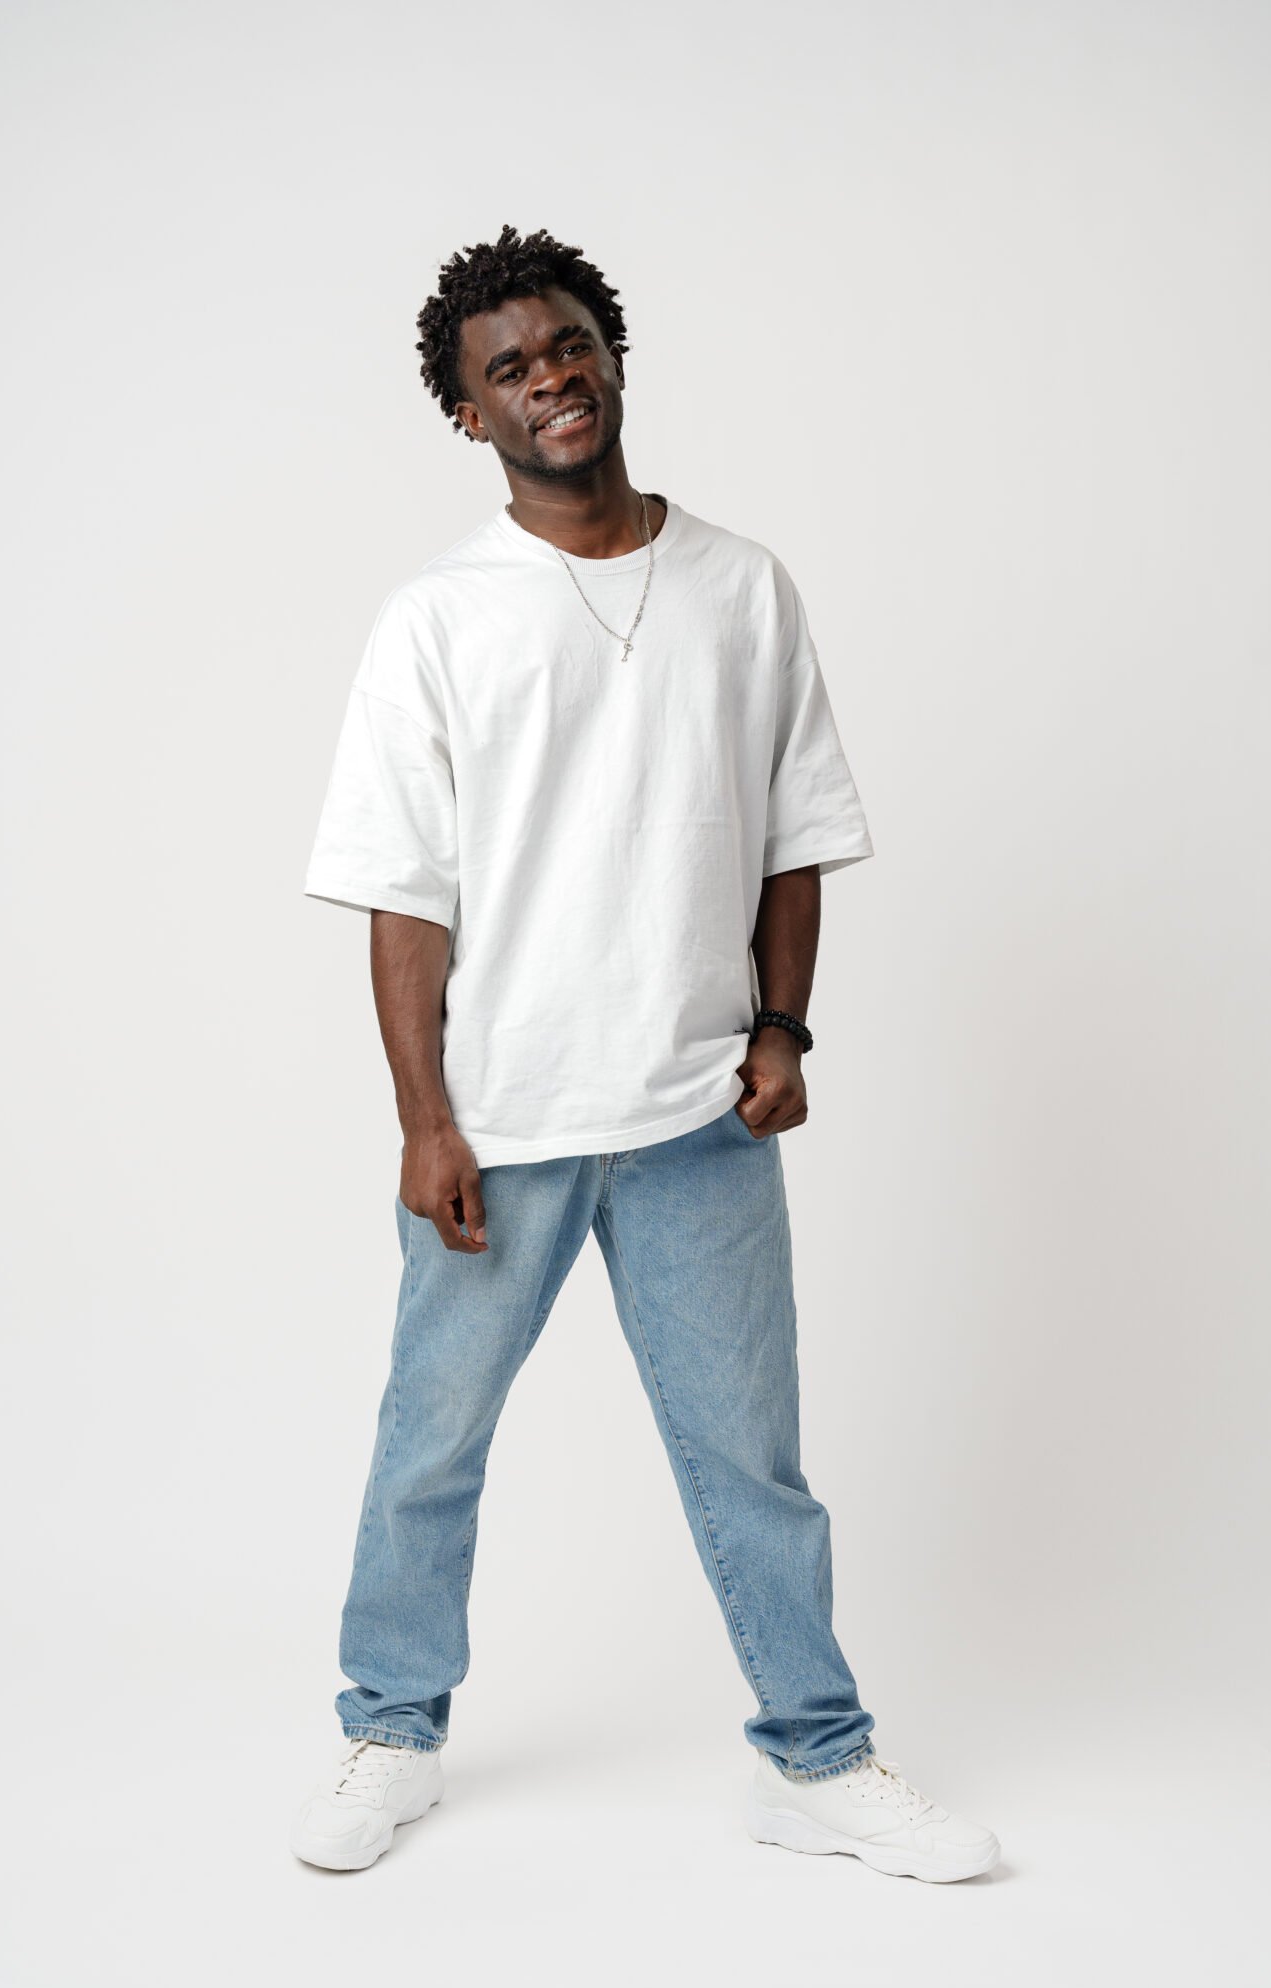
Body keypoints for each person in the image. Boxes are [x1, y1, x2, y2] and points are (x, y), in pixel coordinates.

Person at [291, 224, 1000, 1884]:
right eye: (508, 370)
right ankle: (389, 1729)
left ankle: (813, 1759)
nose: (549, 381)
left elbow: (790, 834)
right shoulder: (439, 620)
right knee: (431, 1445)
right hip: (507, 1118)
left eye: (567, 348)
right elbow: (403, 896)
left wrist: (780, 1025)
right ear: (467, 415)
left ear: (612, 353)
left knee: (753, 1462)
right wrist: (422, 1119)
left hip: (698, 1112)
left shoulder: (743, 585)